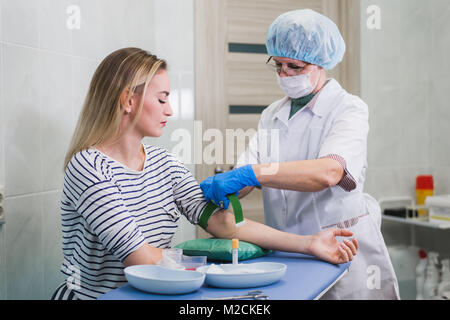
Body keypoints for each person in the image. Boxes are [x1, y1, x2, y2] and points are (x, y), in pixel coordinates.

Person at [51, 47, 358, 300]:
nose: (169, 110)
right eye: (162, 99)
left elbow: (221, 221)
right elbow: (141, 259)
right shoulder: (89, 167)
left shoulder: (163, 163)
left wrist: (308, 243)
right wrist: (216, 274)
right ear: (129, 101)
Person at [200, 9, 400, 300]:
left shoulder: (348, 108)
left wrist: (255, 174)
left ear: (320, 63)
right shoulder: (271, 115)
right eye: (277, 65)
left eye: (294, 66)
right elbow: (247, 171)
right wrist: (230, 183)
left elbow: (329, 172)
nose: (283, 74)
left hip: (342, 252)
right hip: (290, 250)